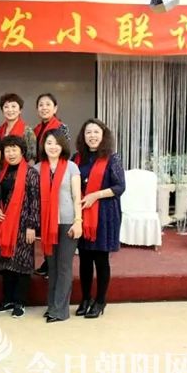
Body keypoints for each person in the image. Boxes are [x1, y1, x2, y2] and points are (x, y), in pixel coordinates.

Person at [73, 119, 125, 318]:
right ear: (83, 136)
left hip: (104, 214)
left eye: (96, 132)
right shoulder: (77, 158)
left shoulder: (112, 158)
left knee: (101, 260)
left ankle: (100, 300)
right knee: (84, 259)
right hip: (83, 214)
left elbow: (119, 187)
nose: (92, 136)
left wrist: (95, 195)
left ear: (103, 135)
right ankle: (86, 298)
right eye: (88, 132)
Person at [34, 130, 82, 323]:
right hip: (47, 224)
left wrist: (78, 221)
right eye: (49, 143)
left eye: (56, 143)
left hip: (67, 222)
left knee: (64, 266)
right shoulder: (37, 168)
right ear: (43, 146)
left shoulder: (71, 167)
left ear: (62, 146)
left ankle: (61, 310)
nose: (52, 147)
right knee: (52, 267)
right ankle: (52, 306)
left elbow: (77, 196)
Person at [0, 135, 40, 318]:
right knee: (7, 264)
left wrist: (32, 226)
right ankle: (8, 300)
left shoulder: (30, 173)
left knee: (22, 263)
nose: (11, 153)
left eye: (14, 149)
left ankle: (20, 302)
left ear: (22, 152)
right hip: (4, 223)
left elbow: (35, 201)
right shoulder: (2, 171)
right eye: (7, 150)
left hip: (23, 224)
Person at [33, 93, 70, 278]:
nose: (44, 108)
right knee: (45, 219)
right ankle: (48, 261)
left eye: (48, 104)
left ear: (55, 108)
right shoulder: (37, 129)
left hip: (56, 174)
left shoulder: (61, 127)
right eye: (41, 105)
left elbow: (63, 151)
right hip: (42, 173)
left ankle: (52, 264)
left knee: (54, 218)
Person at [0, 93, 36, 163]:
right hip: (1, 168)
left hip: (22, 168)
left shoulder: (27, 131)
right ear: (2, 110)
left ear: (20, 110)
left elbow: (32, 158)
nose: (10, 110)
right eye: (6, 107)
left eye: (13, 106)